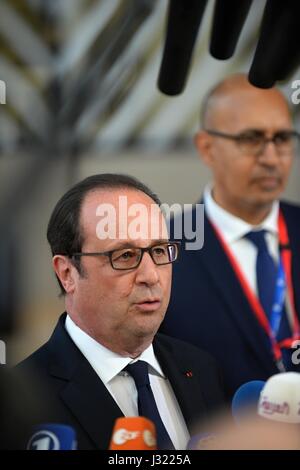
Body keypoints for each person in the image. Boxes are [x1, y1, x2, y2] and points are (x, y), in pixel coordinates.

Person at [12, 174, 224, 450]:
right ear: (67, 273)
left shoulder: (202, 369)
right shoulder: (25, 399)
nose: (151, 276)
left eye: (159, 251)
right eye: (125, 255)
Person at [161, 73, 300, 399]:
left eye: (281, 138)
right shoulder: (163, 249)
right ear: (207, 148)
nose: (270, 158)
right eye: (251, 139)